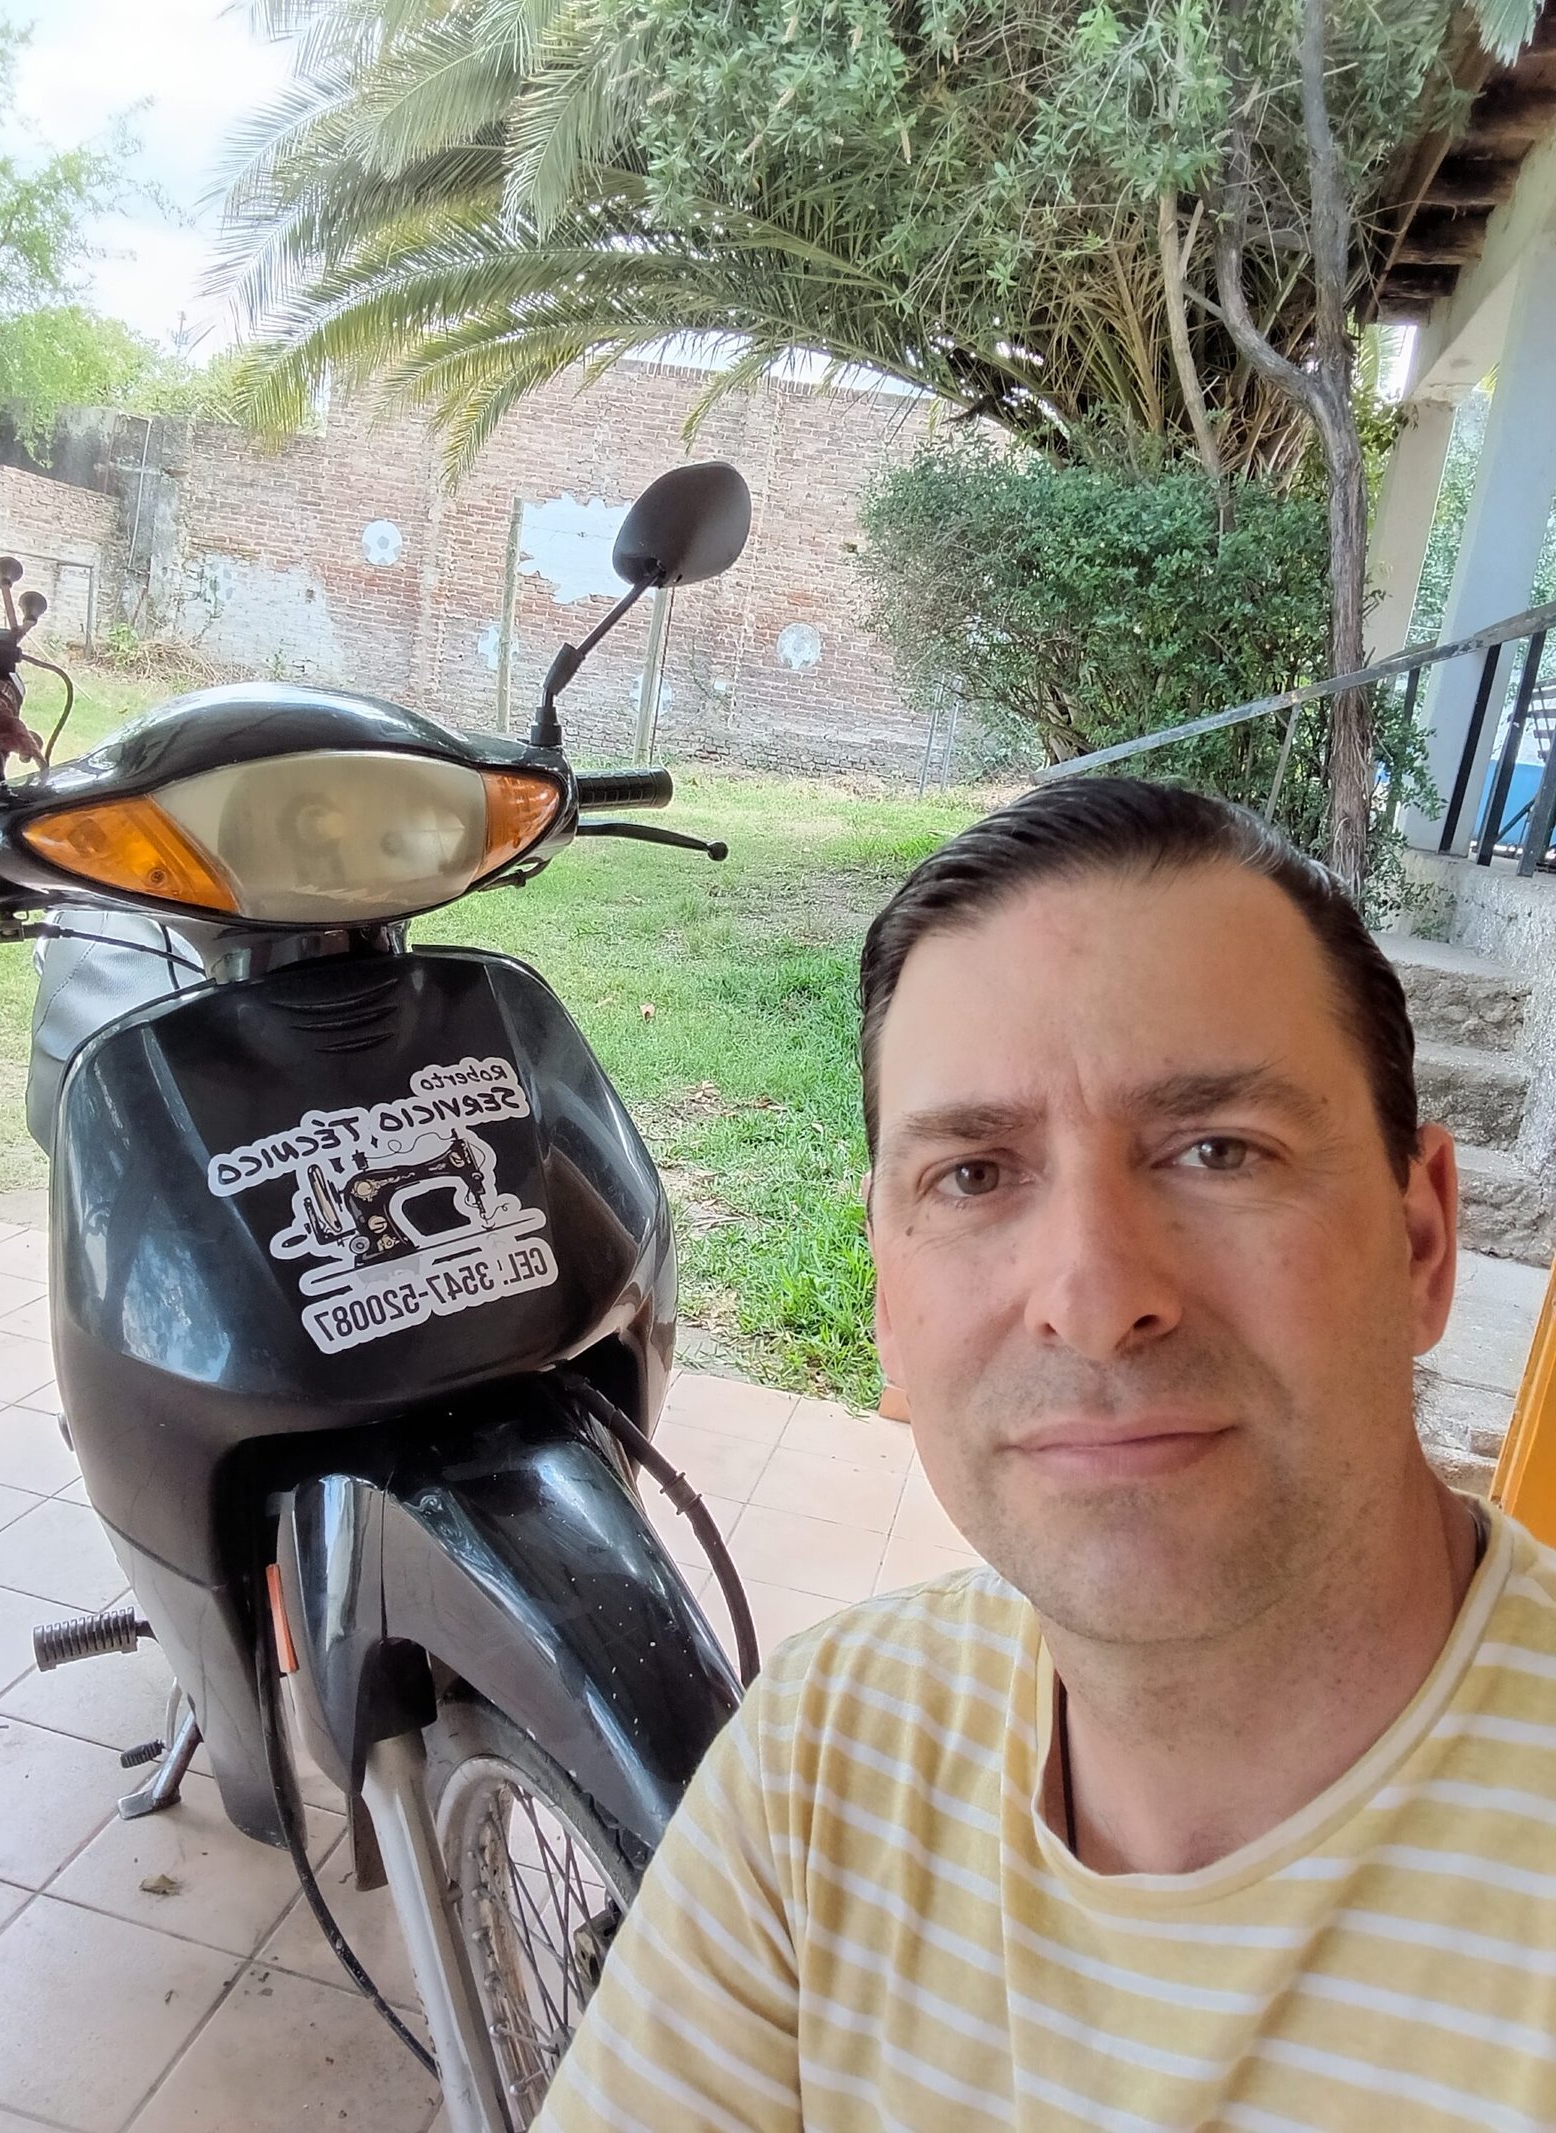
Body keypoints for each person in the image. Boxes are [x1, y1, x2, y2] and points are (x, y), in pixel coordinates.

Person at [533, 778, 1556, 2131]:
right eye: (973, 1174)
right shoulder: (826, 1762)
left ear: (1421, 1243)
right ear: (888, 1289)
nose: (1093, 1295)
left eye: (1218, 1150)